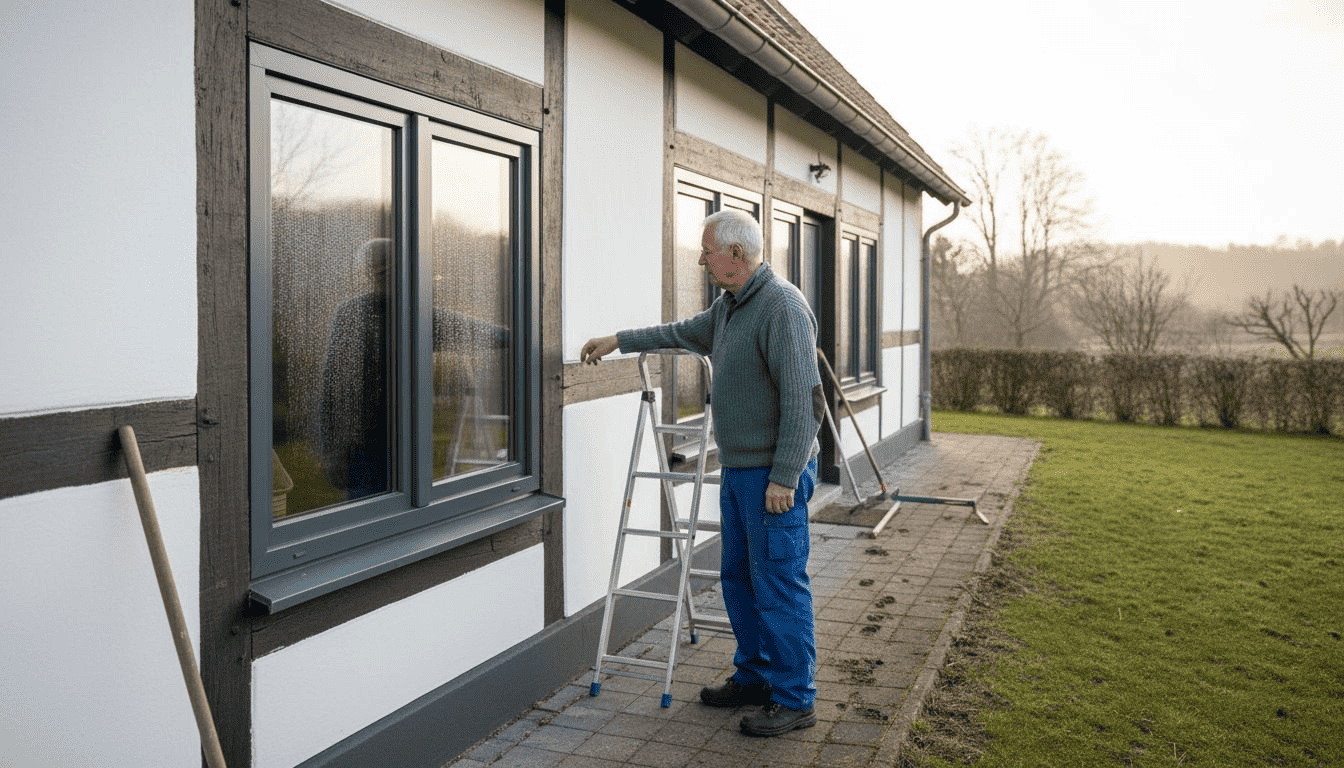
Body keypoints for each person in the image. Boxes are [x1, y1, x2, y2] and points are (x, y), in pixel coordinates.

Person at [581, 209, 825, 737]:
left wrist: (785, 477)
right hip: (740, 472)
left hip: (773, 479)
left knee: (779, 583)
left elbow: (806, 402)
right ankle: (756, 676)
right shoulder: (731, 306)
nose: (700, 257)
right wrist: (619, 339)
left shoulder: (781, 307)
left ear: (735, 254)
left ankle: (795, 697)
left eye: (706, 248)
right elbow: (681, 331)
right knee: (738, 578)